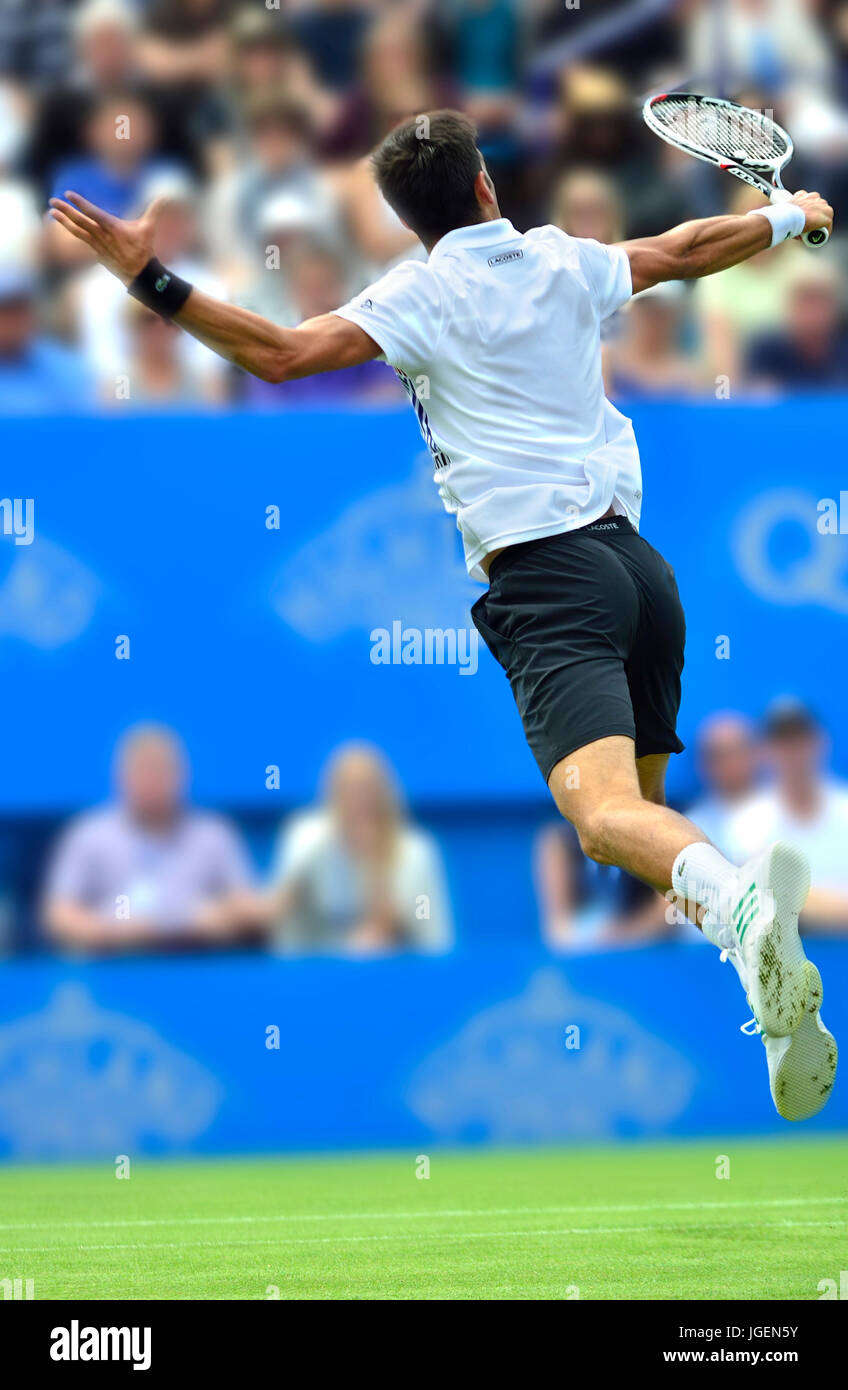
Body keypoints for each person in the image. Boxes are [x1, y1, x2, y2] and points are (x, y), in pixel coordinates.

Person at [49, 108, 837, 1124]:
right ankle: (763, 982)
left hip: (549, 581)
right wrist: (785, 218)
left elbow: (280, 354)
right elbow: (685, 249)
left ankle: (740, 911)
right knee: (630, 837)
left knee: (599, 818)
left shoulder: (416, 292)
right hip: (643, 577)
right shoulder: (564, 259)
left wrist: (148, 280)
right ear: (483, 189)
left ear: (408, 219)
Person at [42, 723, 258, 952]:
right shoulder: (89, 835)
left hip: (198, 960)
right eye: (142, 770)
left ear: (180, 775)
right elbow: (58, 914)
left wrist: (219, 916)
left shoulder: (214, 834)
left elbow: (249, 906)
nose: (152, 780)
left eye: (160, 770)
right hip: (112, 962)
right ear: (122, 776)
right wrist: (109, 931)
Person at [268, 743, 453, 955]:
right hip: (317, 976)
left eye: (368, 790)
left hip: (396, 976)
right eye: (348, 790)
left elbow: (432, 934)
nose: (359, 801)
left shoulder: (417, 853)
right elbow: (282, 923)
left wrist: (379, 872)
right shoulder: (306, 839)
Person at [724, 699, 848, 931]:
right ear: (764, 752)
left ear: (820, 742)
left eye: (800, 739)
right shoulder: (748, 822)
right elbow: (767, 900)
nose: (793, 752)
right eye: (782, 742)